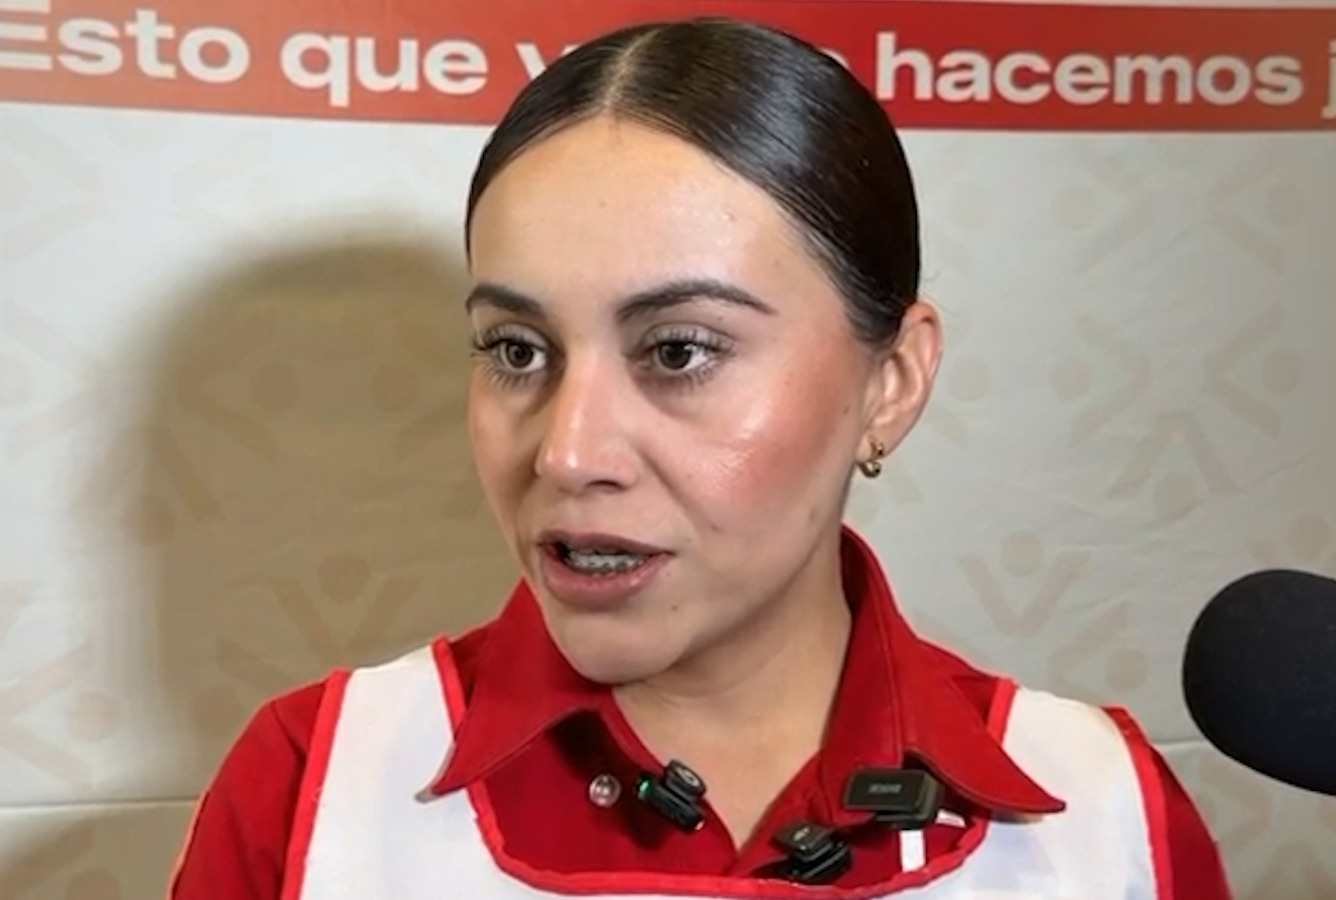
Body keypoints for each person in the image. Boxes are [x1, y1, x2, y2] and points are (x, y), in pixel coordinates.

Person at [168, 16, 1232, 899]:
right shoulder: (313, 788)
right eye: (517, 350)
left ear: (893, 381)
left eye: (679, 350)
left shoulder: (1102, 820)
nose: (568, 453)